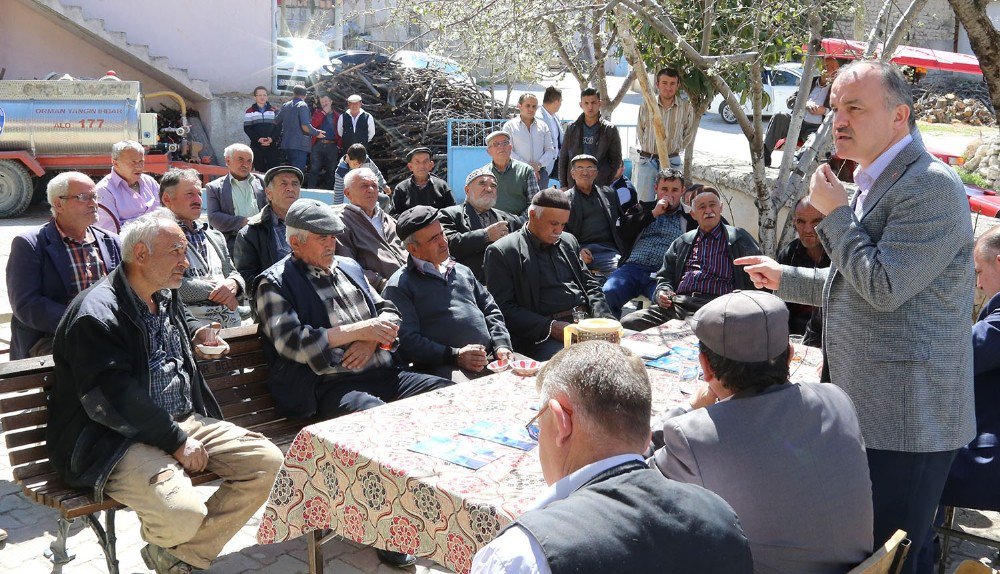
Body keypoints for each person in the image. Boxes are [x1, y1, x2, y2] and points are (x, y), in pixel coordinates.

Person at [737, 61, 975, 574]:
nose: (838, 120)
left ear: (899, 116)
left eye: (855, 107)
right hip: (871, 411)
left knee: (892, 560)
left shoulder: (929, 186)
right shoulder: (878, 180)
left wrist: (836, 214)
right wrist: (783, 277)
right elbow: (855, 283)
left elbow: (884, 287)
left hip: (908, 423)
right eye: (836, 107)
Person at [47, 210, 283, 574]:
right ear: (140, 254)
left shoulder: (162, 292)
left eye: (185, 251)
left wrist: (197, 334)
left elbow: (167, 328)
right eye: (176, 251)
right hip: (113, 437)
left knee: (267, 463)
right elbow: (112, 398)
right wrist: (175, 440)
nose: (185, 263)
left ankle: (176, 557)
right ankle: (180, 549)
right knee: (182, 514)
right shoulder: (97, 315)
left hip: (181, 418)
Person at [253, 199, 451, 567]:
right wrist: (359, 330)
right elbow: (293, 342)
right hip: (330, 387)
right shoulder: (273, 283)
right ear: (295, 242)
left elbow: (390, 311)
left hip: (382, 371)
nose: (331, 244)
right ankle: (390, 529)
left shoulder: (348, 266)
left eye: (333, 236)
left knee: (448, 396)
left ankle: (435, 501)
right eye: (321, 238)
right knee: (379, 424)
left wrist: (371, 339)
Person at [471, 341, 754, 574]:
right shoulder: (720, 514)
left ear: (560, 422)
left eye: (537, 425)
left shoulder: (521, 555)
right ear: (646, 435)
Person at [651, 291, 873, 573]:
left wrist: (689, 408)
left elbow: (628, 469)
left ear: (705, 367)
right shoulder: (836, 398)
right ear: (790, 355)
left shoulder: (695, 436)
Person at [383, 206, 514, 382]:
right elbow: (408, 341)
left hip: (490, 358)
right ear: (413, 249)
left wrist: (501, 344)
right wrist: (455, 355)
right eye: (433, 239)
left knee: (534, 380)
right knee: (471, 394)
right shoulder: (400, 285)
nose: (444, 242)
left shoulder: (461, 270)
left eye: (442, 234)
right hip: (444, 366)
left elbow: (490, 309)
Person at [484, 190, 613, 361]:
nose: (558, 230)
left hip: (584, 322)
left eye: (563, 224)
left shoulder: (568, 241)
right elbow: (503, 307)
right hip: (542, 336)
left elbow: (590, 284)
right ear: (532, 215)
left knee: (626, 351)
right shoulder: (503, 251)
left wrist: (605, 320)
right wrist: (550, 327)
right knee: (581, 363)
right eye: (553, 223)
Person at [7, 172, 122, 359]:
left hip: (106, 331)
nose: (94, 203)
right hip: (51, 336)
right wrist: (84, 323)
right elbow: (27, 304)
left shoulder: (111, 241)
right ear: (59, 204)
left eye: (95, 196)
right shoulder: (30, 244)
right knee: (97, 359)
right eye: (83, 197)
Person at [621, 188, 760, 331]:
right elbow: (665, 276)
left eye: (712, 205)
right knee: (629, 322)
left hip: (719, 307)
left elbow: (758, 276)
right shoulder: (683, 242)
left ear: (721, 207)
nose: (708, 210)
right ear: (693, 214)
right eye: (702, 207)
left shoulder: (739, 238)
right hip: (681, 305)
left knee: (704, 332)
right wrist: (662, 292)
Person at [602, 168, 696, 318]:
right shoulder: (642, 208)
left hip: (663, 273)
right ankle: (607, 335)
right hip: (632, 268)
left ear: (682, 191)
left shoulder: (690, 216)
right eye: (664, 189)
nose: (669, 194)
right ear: (656, 189)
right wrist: (653, 213)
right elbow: (622, 230)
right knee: (608, 293)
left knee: (667, 302)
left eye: (675, 190)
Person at [159, 169, 244, 328]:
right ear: (167, 199)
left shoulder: (215, 236)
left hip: (233, 327)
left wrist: (234, 284)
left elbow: (232, 272)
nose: (198, 199)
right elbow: (166, 284)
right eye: (190, 194)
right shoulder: (157, 237)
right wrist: (221, 292)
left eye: (199, 194)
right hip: (190, 331)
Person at [439, 168, 522, 282]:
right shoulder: (450, 214)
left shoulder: (510, 219)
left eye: (493, 186)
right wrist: (485, 235)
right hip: (465, 285)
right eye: (482, 184)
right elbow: (448, 245)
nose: (489, 189)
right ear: (467, 190)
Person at [335, 167, 408, 292]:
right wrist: (380, 283)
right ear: (347, 193)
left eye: (374, 185)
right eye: (364, 186)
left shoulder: (388, 220)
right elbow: (346, 267)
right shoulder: (341, 223)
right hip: (382, 291)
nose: (371, 190)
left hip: (412, 283)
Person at [763, 57, 844, 167]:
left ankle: (796, 162)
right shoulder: (810, 82)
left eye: (837, 68)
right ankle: (764, 156)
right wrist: (805, 103)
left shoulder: (837, 88)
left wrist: (824, 110)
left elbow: (840, 110)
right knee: (779, 116)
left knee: (815, 138)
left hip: (815, 128)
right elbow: (790, 101)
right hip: (797, 122)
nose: (835, 72)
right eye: (831, 68)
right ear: (822, 68)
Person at [233, 166, 302, 296]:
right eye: (283, 183)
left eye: (295, 184)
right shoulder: (250, 232)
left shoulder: (311, 225)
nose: (290, 188)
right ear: (269, 193)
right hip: (276, 302)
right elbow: (246, 278)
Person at [634, 68, 696, 201]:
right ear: (657, 84)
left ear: (678, 85)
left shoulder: (686, 108)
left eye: (673, 83)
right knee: (645, 203)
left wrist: (674, 148)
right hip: (648, 161)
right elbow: (640, 131)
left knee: (671, 203)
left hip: (672, 162)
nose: (668, 87)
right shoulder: (647, 105)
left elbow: (688, 134)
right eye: (664, 82)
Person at [775, 197, 829, 346]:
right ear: (794, 222)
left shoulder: (840, 254)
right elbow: (778, 305)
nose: (807, 230)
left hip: (831, 333)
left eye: (816, 222)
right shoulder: (789, 253)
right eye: (801, 222)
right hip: (794, 332)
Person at [563, 154, 627, 275]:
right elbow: (560, 232)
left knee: (619, 275)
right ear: (573, 173)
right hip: (577, 251)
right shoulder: (564, 199)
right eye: (580, 168)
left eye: (589, 168)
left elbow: (622, 222)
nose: (585, 172)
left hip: (607, 251)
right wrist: (577, 250)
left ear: (596, 173)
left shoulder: (609, 193)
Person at [204, 143, 267, 253]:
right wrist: (244, 222)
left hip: (262, 239)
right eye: (240, 159)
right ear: (228, 161)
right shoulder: (215, 187)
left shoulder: (262, 182)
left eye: (249, 161)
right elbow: (214, 218)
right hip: (233, 241)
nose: (245, 165)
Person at [558, 88, 622, 189]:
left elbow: (616, 160)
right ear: (581, 105)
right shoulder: (572, 128)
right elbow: (563, 157)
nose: (590, 107)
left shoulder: (609, 129)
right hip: (574, 185)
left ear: (599, 103)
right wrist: (563, 185)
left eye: (593, 102)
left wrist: (606, 181)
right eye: (586, 103)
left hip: (599, 186)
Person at [95, 140, 161, 232]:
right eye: (133, 162)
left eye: (141, 161)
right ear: (115, 163)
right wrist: (150, 222)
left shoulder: (149, 182)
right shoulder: (104, 190)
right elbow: (109, 232)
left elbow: (165, 212)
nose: (139, 167)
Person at [502, 93, 557, 186]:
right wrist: (528, 167)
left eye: (534, 106)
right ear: (519, 106)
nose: (531, 109)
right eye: (527, 105)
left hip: (540, 175)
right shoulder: (509, 126)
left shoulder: (543, 126)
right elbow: (508, 151)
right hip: (517, 174)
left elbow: (550, 150)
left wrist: (538, 165)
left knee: (540, 201)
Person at [483, 130, 540, 216]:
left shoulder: (526, 171)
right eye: (496, 144)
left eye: (505, 143)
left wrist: (519, 221)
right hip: (492, 224)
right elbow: (477, 205)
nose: (501, 147)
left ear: (510, 147)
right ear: (489, 151)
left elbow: (534, 203)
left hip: (520, 223)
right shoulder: (483, 174)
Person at [390, 146, 455, 216]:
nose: (421, 166)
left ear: (431, 165)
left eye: (425, 161)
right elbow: (394, 216)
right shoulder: (401, 188)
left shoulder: (442, 186)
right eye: (417, 162)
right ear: (410, 166)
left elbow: (452, 213)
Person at [275, 85, 323, 171]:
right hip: (299, 145)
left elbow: (276, 120)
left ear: (294, 94)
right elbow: (305, 126)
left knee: (288, 172)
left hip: (286, 144)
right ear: (305, 95)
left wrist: (276, 111)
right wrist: (317, 133)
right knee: (297, 173)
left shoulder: (286, 105)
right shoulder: (302, 105)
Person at [307, 93, 341, 189]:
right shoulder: (317, 113)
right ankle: (310, 190)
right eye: (322, 102)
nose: (324, 103)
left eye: (326, 101)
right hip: (318, 145)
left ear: (331, 102)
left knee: (331, 171)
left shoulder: (337, 116)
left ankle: (330, 192)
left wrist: (338, 146)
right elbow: (313, 124)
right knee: (314, 169)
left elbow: (340, 131)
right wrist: (323, 113)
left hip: (332, 146)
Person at [243, 86, 281, 172]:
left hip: (272, 145)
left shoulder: (274, 111)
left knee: (273, 171)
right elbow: (247, 128)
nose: (262, 97)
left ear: (267, 97)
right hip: (257, 146)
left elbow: (278, 127)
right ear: (255, 97)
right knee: (259, 171)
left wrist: (271, 139)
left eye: (264, 95)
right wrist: (258, 139)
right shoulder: (250, 111)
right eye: (259, 95)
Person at [538, 86, 563, 181]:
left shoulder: (555, 116)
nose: (561, 104)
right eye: (561, 101)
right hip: (544, 165)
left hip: (557, 162)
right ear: (556, 102)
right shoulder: (539, 118)